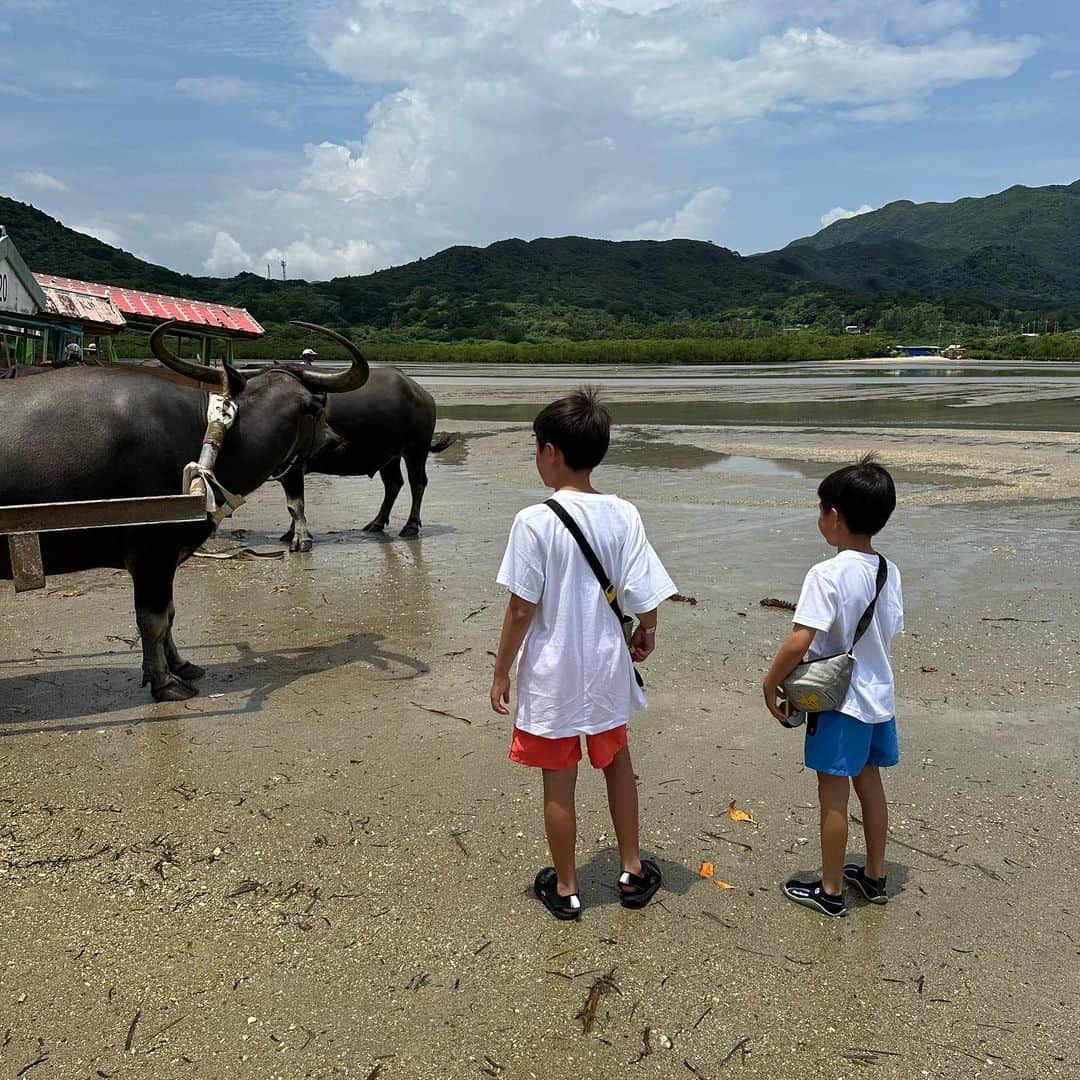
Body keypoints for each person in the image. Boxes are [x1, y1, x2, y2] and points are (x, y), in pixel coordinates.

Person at [489, 388, 677, 920]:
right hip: (605, 670)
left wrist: (501, 670)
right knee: (617, 764)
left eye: (535, 448)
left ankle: (567, 887)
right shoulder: (623, 514)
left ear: (550, 451)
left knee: (558, 778)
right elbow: (644, 592)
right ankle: (632, 869)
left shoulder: (534, 521)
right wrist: (648, 630)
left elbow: (521, 610)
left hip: (552, 675)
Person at [763, 456, 903, 918]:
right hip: (878, 696)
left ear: (835, 517)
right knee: (871, 786)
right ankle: (876, 875)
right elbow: (891, 627)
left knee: (833, 796)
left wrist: (771, 680)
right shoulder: (888, 570)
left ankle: (830, 888)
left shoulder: (826, 574)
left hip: (838, 701)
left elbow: (800, 638)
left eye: (821, 510)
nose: (819, 519)